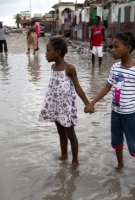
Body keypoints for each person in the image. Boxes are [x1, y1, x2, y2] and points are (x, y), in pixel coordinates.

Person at [85, 32, 135, 180]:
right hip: (115, 112)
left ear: (128, 48)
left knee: (134, 143)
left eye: (115, 47)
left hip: (130, 115)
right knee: (116, 141)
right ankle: (120, 164)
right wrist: (93, 102)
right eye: (112, 46)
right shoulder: (115, 68)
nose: (112, 50)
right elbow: (108, 87)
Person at [39, 36, 90, 168]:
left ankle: (75, 160)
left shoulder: (69, 68)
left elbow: (78, 87)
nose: (45, 53)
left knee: (71, 134)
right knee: (61, 132)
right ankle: (64, 155)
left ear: (57, 52)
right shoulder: (53, 67)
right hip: (56, 106)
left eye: (48, 50)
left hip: (66, 108)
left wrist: (87, 103)